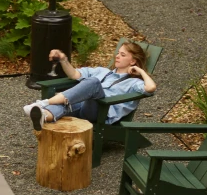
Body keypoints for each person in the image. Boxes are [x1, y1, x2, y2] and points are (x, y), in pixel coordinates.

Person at [23, 41, 157, 131]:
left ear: (133, 61)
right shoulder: (102, 71)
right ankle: (42, 115)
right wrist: (63, 60)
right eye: (117, 53)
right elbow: (74, 74)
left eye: (122, 55)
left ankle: (43, 103)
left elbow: (151, 88)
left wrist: (140, 71)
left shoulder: (134, 82)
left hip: (101, 114)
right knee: (67, 103)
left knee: (93, 82)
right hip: (83, 106)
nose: (117, 57)